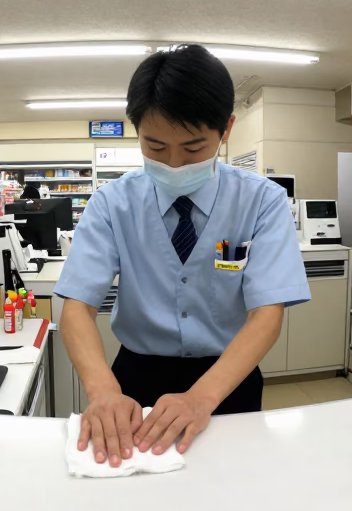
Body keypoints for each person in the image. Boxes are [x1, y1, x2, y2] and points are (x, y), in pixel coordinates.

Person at [55, 44, 309, 467]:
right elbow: (77, 306)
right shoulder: (112, 204)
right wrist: (102, 392)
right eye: (155, 147)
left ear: (226, 129)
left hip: (228, 376)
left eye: (193, 149)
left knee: (232, 487)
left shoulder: (262, 201)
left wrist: (201, 398)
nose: (174, 164)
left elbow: (267, 313)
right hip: (134, 377)